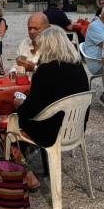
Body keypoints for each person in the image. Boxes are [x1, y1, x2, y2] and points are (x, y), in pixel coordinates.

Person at [13, 27, 89, 187]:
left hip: (50, 131)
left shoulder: (46, 70)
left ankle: (25, 172)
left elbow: (31, 110)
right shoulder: (78, 67)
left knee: (7, 125)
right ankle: (28, 161)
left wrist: (19, 105)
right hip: (75, 128)